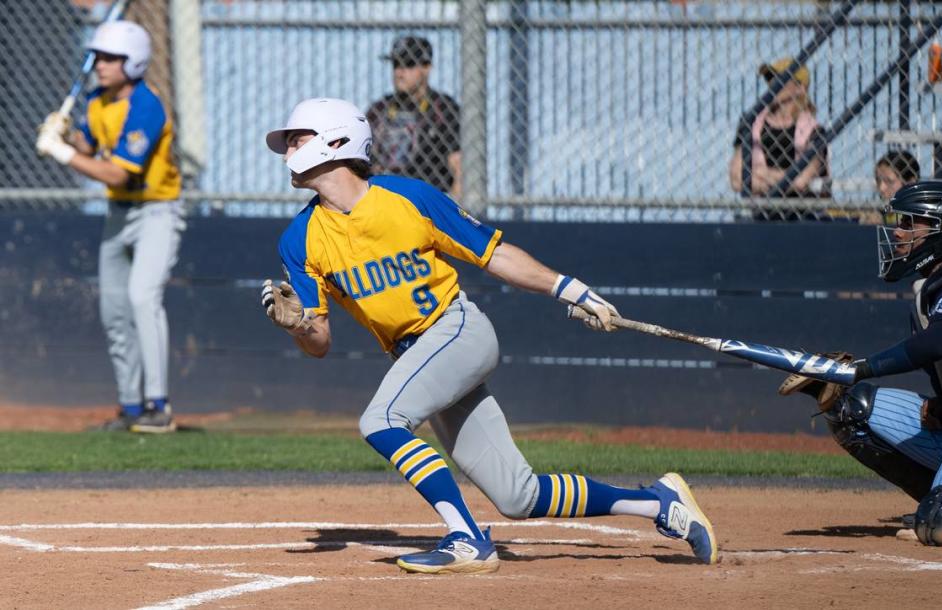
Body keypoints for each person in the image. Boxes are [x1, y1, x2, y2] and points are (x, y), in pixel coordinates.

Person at [260, 97, 719, 574]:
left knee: (382, 421)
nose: (288, 150)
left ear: (337, 139)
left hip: (457, 330)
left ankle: (465, 537)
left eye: (298, 138)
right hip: (415, 358)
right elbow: (320, 343)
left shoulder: (407, 198)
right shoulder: (300, 238)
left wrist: (571, 289)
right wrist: (297, 325)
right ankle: (659, 504)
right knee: (518, 495)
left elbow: (493, 254)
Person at [779, 180, 942, 547]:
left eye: (911, 223)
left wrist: (862, 367)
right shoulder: (935, 283)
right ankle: (939, 498)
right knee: (851, 411)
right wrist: (941, 406)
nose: (899, 231)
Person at [35, 20, 183, 433]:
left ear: (132, 63)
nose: (99, 64)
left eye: (109, 58)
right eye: (98, 56)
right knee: (114, 310)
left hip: (157, 211)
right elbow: (89, 143)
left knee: (141, 298)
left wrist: (62, 155)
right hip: (119, 214)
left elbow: (117, 173)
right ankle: (131, 407)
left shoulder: (146, 106)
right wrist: (63, 133)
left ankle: (160, 407)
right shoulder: (99, 101)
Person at [729, 58, 830, 218]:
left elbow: (802, 181)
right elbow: (736, 180)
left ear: (800, 88)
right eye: (770, 79)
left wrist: (759, 175)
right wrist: (786, 178)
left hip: (804, 216)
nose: (772, 84)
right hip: (760, 214)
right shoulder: (750, 123)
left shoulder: (814, 130)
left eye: (780, 79)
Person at [366, 36, 462, 200]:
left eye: (408, 64)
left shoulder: (443, 109)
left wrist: (451, 214)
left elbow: (460, 169)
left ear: (426, 67)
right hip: (383, 204)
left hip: (426, 205)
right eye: (396, 65)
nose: (399, 72)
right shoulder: (379, 110)